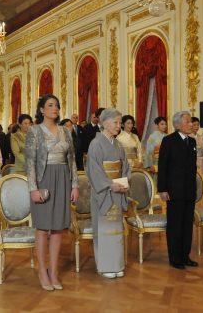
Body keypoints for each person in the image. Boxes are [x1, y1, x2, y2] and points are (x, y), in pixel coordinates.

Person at [25, 94, 79, 291]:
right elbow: (30, 162)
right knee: (42, 228)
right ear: (41, 110)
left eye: (56, 105)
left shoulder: (66, 131)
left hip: (63, 179)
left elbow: (72, 160)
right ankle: (42, 271)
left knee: (58, 228)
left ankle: (54, 272)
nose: (54, 108)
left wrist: (75, 185)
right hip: (43, 179)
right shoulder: (34, 131)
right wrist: (33, 188)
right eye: (50, 105)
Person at [86, 108, 129, 279]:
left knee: (116, 230)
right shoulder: (95, 144)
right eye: (116, 122)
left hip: (118, 189)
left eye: (120, 123)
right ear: (104, 123)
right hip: (103, 191)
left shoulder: (118, 144)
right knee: (104, 230)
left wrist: (124, 182)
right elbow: (93, 170)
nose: (119, 126)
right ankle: (105, 266)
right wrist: (110, 185)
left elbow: (125, 166)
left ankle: (117, 264)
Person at [157, 111, 198, 269]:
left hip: (189, 191)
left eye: (191, 121)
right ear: (177, 125)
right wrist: (162, 189)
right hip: (174, 191)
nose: (191, 124)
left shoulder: (192, 142)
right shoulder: (168, 141)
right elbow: (163, 166)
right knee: (175, 226)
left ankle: (185, 256)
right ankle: (175, 258)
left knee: (187, 225)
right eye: (187, 121)